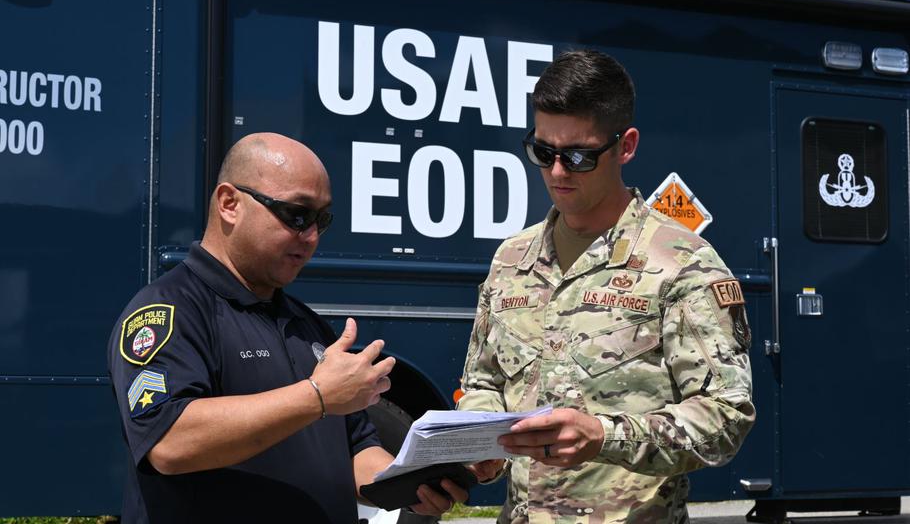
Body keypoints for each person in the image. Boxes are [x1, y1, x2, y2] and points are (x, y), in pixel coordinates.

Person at [108, 132, 467, 523]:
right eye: (297, 214)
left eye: (322, 219)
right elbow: (169, 442)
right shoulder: (170, 310)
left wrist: (410, 483)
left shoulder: (306, 324)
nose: (311, 236)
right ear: (230, 204)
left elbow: (357, 448)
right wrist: (316, 396)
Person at [459, 50, 755, 523]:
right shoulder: (511, 260)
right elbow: (483, 380)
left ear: (626, 146)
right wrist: (480, 438)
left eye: (578, 156)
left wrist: (604, 435)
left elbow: (726, 417)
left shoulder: (682, 264)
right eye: (543, 151)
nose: (557, 172)